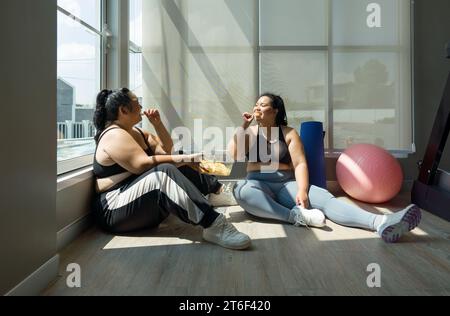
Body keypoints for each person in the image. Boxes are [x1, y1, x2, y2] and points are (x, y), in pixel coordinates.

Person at [228, 93, 422, 243]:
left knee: (326, 200)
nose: (257, 108)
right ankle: (294, 217)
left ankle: (380, 223)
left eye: (262, 104)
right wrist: (244, 125)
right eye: (256, 105)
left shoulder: (288, 133)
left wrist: (303, 191)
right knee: (241, 190)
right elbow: (233, 154)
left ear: (276, 110)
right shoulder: (250, 132)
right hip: (257, 183)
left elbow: (300, 163)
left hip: (286, 183)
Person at [92, 88, 251, 250]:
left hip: (139, 206)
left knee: (179, 159)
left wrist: (158, 124)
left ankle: (215, 192)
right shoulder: (114, 134)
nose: (141, 106)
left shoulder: (137, 132)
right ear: (123, 110)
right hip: (114, 210)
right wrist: (187, 159)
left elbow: (168, 152)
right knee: (165, 171)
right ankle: (213, 225)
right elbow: (141, 165)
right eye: (137, 103)